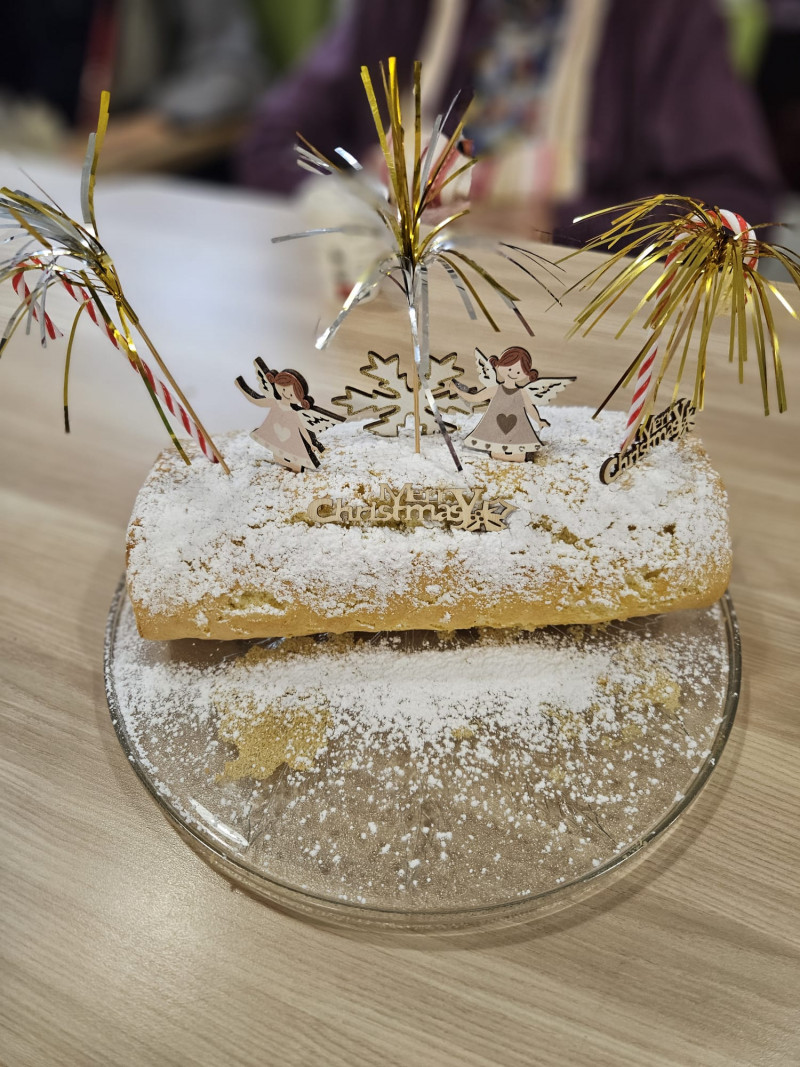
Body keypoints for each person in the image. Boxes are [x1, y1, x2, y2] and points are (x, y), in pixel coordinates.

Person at [237, 0, 782, 246]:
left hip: (568, 321)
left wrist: (551, 223)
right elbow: (273, 144)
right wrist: (339, 200)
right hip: (388, 305)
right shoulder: (400, 10)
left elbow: (738, 211)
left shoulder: (665, 18)